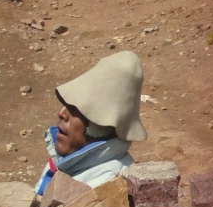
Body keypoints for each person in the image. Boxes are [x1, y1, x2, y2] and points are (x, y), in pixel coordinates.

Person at [34, 51, 147, 194]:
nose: (62, 113)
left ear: (101, 126)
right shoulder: (69, 158)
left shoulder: (108, 186)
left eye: (75, 109)